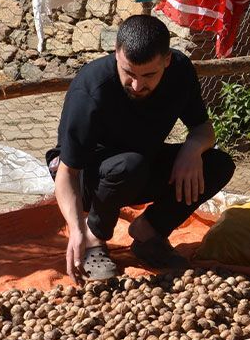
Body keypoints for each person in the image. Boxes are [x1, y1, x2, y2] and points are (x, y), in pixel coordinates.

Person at [48, 14, 235, 282]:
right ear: (116, 54)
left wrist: (192, 149)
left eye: (149, 75)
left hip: (142, 164)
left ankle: (149, 232)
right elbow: (67, 172)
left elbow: (203, 128)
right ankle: (95, 237)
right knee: (129, 165)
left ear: (167, 61)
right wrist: (75, 230)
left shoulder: (180, 71)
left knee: (217, 165)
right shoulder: (91, 88)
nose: (137, 85)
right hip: (92, 180)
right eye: (129, 73)